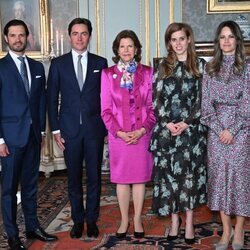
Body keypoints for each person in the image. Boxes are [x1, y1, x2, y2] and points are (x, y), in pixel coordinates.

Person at [47, 17, 108, 239]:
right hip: (69, 131)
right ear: (70, 36)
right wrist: (55, 130)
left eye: (83, 33)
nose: (79, 37)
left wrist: (108, 128)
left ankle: (91, 220)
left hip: (94, 130)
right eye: (75, 33)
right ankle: (77, 220)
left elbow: (106, 98)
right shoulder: (58, 64)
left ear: (89, 36)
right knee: (73, 179)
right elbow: (51, 99)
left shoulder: (100, 63)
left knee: (94, 178)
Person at [0, 19, 57, 250]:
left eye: (21, 35)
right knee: (9, 190)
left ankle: (32, 226)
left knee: (32, 186)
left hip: (33, 137)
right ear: (6, 38)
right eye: (13, 35)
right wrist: (0, 140)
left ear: (27, 37)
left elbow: (41, 101)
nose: (17, 39)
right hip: (9, 140)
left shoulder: (36, 68)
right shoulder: (0, 68)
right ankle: (12, 235)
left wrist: (42, 132)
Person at [149, 22, 207, 244]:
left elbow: (204, 99)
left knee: (188, 179)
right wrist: (166, 123)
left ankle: (190, 222)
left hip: (191, 131)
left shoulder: (200, 66)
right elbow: (156, 99)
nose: (178, 43)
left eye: (182, 38)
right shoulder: (163, 66)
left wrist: (186, 122)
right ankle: (175, 222)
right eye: (174, 40)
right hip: (167, 132)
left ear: (189, 39)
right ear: (169, 43)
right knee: (170, 179)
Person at [101, 30, 155, 238]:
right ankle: (124, 220)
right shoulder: (108, 74)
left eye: (130, 46)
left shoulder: (148, 73)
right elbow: (105, 110)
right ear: (117, 49)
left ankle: (138, 219)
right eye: (122, 46)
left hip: (142, 134)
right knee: (122, 180)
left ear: (136, 49)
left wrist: (142, 130)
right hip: (119, 137)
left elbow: (152, 107)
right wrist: (120, 133)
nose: (126, 50)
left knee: (139, 179)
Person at [201, 20, 250, 250]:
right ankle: (226, 229)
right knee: (219, 179)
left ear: (237, 40)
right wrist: (220, 129)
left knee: (240, 179)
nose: (227, 41)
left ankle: (239, 228)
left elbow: (248, 104)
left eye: (231, 36)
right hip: (216, 131)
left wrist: (233, 129)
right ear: (218, 41)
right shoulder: (210, 68)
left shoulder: (247, 68)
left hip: (241, 131)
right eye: (222, 37)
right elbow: (205, 107)